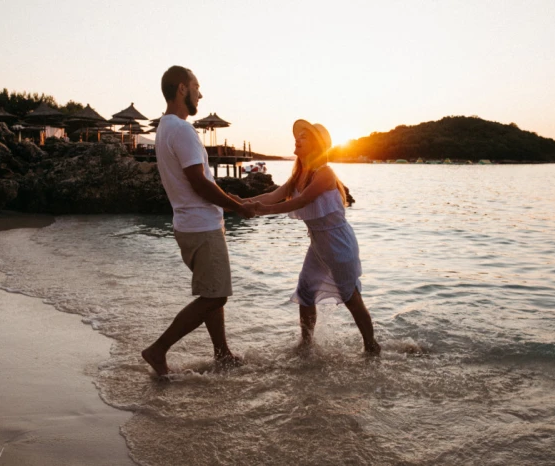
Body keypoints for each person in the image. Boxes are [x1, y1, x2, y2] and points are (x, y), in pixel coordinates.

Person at [142, 66, 259, 377]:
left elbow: (195, 179)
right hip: (202, 226)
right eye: (197, 87)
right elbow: (200, 182)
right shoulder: (181, 129)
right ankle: (158, 349)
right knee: (216, 295)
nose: (201, 94)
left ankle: (222, 353)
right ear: (182, 89)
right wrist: (237, 206)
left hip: (187, 225)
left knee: (211, 292)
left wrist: (232, 205)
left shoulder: (165, 128)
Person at [232, 120, 381, 354]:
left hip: (338, 243)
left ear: (316, 144)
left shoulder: (325, 173)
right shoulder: (299, 174)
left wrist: (260, 210)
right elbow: (275, 195)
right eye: (297, 136)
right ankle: (307, 345)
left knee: (350, 296)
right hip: (319, 245)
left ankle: (372, 347)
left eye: (304, 136)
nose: (297, 139)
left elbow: (300, 202)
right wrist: (240, 202)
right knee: (305, 292)